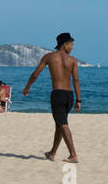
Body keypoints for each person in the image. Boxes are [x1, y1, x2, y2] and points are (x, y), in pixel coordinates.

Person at [23, 32, 81, 162]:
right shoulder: (72, 60)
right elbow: (76, 80)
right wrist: (78, 99)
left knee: (63, 124)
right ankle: (52, 153)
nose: (72, 47)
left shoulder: (49, 57)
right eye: (71, 45)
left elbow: (35, 74)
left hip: (58, 94)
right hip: (69, 95)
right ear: (64, 44)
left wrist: (27, 87)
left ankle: (73, 155)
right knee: (60, 124)